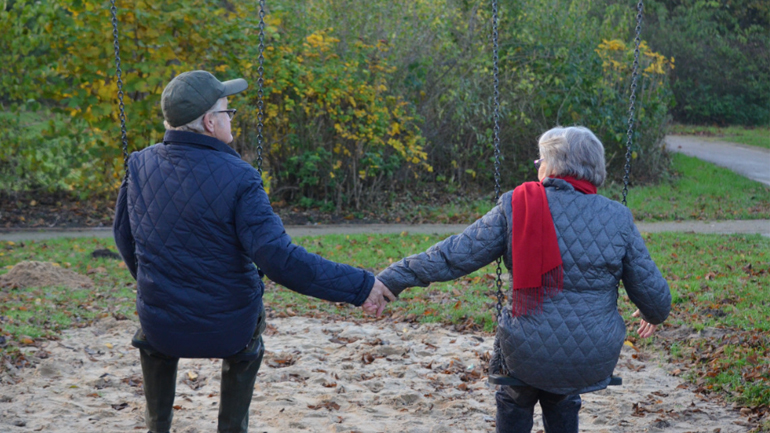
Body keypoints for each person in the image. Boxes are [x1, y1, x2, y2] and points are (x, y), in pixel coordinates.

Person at [113, 70, 395, 433]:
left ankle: (158, 425)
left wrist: (158, 281)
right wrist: (361, 286)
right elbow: (281, 261)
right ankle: (231, 427)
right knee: (247, 343)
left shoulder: (138, 165)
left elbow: (123, 236)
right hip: (229, 328)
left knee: (154, 333)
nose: (233, 119)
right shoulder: (240, 177)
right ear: (210, 122)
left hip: (161, 323)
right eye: (228, 112)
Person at [374, 126, 671, 433]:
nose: (538, 167)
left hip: (526, 351)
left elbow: (452, 257)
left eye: (540, 160)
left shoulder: (517, 205)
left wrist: (393, 279)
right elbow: (657, 300)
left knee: (516, 392)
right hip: (591, 354)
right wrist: (651, 313)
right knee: (563, 393)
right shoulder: (618, 217)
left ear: (555, 165)